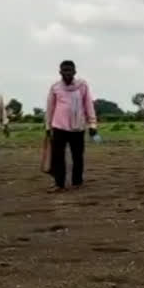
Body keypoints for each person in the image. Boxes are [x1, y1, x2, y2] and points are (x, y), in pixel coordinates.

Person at [45, 60, 97, 192]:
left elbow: (88, 105)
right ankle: (59, 184)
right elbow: (50, 107)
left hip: (78, 127)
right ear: (60, 72)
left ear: (74, 71)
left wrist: (92, 123)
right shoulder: (55, 87)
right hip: (59, 126)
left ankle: (77, 182)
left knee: (77, 156)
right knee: (58, 157)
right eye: (64, 70)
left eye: (69, 70)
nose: (67, 73)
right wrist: (47, 126)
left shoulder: (82, 85)